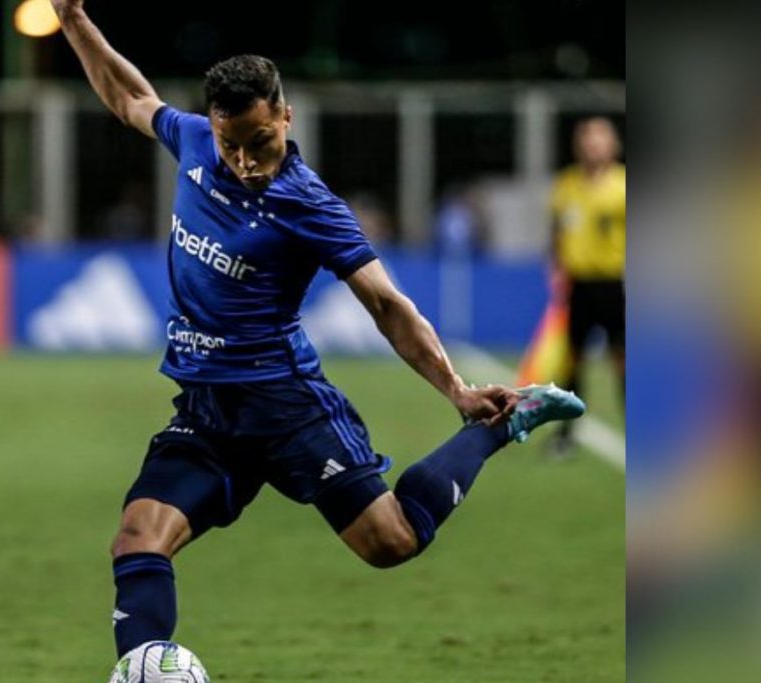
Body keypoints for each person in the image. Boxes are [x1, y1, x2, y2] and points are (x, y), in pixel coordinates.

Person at [50, 0, 585, 669]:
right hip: (210, 409)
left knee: (391, 542)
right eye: (231, 145)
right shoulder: (193, 143)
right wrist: (73, 21)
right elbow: (130, 97)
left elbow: (387, 304)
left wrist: (456, 389)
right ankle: (146, 665)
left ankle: (497, 428)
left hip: (286, 406)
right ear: (211, 127)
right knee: (136, 538)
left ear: (285, 117)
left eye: (259, 143)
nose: (244, 160)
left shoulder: (311, 207)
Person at [549, 117, 625, 452]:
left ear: (613, 145)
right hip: (578, 284)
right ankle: (566, 433)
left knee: (623, 359)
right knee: (572, 359)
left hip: (614, 283)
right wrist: (555, 267)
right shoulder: (567, 184)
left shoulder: (623, 185)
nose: (593, 145)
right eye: (588, 138)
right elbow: (557, 231)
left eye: (600, 139)